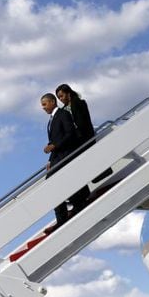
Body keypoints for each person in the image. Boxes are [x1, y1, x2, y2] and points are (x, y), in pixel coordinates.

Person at [40, 93, 78, 232]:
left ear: (52, 102)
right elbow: (53, 140)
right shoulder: (51, 119)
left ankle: (66, 214)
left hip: (65, 155)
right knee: (52, 186)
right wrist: (50, 160)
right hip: (56, 157)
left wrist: (54, 146)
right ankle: (62, 216)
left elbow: (70, 133)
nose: (43, 108)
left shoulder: (63, 114)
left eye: (44, 104)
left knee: (53, 185)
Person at [55, 84, 93, 216]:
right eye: (58, 98)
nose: (61, 99)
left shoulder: (79, 103)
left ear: (68, 93)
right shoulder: (64, 109)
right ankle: (79, 198)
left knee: (75, 170)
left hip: (83, 140)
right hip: (73, 144)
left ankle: (81, 198)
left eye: (61, 96)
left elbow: (83, 124)